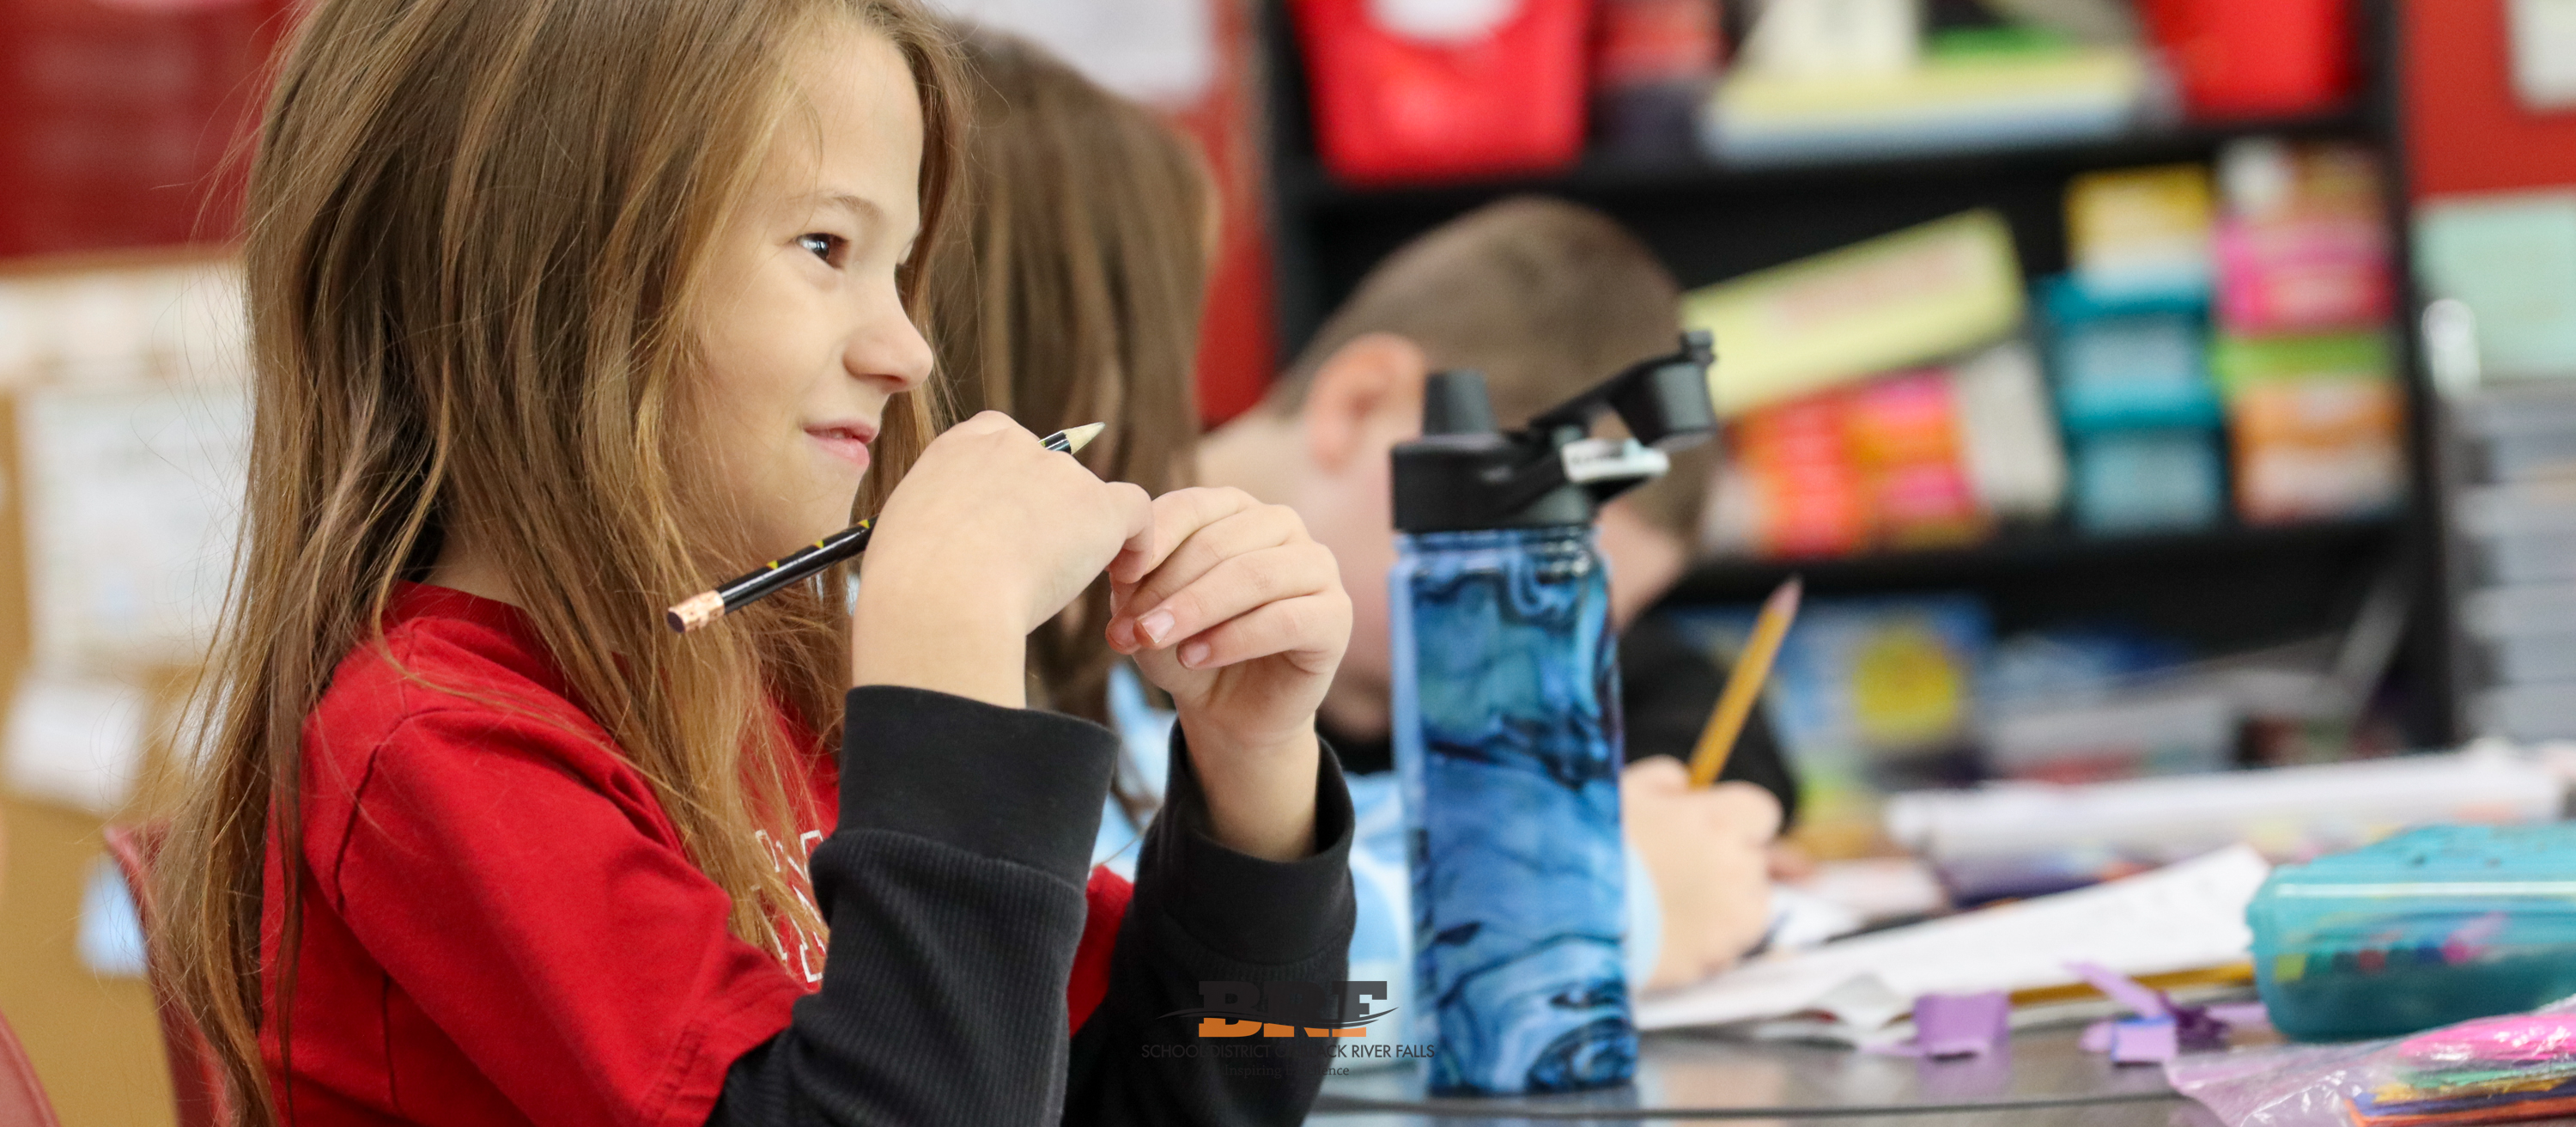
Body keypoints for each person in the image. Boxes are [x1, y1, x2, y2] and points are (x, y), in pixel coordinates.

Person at [150, 1, 1357, 1124]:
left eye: (901, 267)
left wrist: (1253, 768)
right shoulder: (435, 742)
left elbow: (1165, 1094)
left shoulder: (768, 686)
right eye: (827, 245)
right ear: (560, 274)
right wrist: (946, 667)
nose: (907, 349)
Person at [926, 37, 1777, 992]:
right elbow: (1141, 967)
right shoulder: (967, 630)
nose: (1162, 406)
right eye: (1158, 347)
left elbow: (1238, 859)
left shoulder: (1079, 641)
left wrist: (1561, 842)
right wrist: (1590, 904)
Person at [1200, 197, 1797, 986]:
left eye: (1592, 620)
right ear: (1360, 404)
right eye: (1528, 581)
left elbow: (1675, 687)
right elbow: (1205, 1015)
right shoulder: (1070, 637)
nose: (1549, 653)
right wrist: (1590, 907)